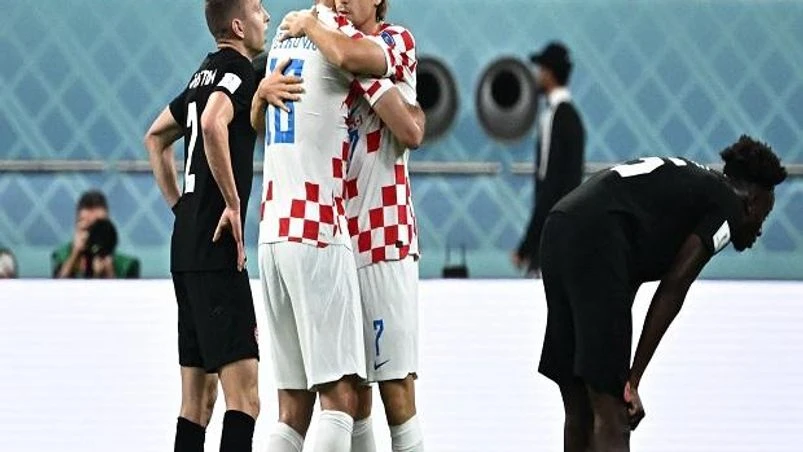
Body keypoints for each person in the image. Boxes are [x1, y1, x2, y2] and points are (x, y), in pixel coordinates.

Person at [537, 136, 787, 452]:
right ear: (752, 201)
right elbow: (674, 286)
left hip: (560, 226)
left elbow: (620, 286)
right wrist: (632, 381)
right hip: (598, 238)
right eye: (763, 215)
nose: (759, 229)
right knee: (614, 414)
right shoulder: (729, 206)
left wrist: (619, 365)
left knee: (580, 407)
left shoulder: (695, 184)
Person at [253, 2, 424, 452]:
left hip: (383, 236)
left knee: (396, 392)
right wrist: (260, 94)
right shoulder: (327, 40)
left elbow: (411, 130)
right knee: (354, 395)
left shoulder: (393, 41)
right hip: (335, 235)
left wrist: (313, 26)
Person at [143, 0, 270, 450]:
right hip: (218, 245)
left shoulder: (202, 75)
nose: (266, 16)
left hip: (186, 245)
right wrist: (233, 204)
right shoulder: (240, 71)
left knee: (196, 402)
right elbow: (216, 122)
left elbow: (155, 138)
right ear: (238, 26)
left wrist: (181, 207)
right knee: (245, 398)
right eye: (258, 8)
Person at [514, 41, 585, 276]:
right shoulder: (569, 116)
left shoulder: (557, 117)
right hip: (563, 229)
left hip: (555, 233)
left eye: (541, 70)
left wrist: (528, 245)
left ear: (549, 73)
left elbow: (551, 183)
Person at [51, 190, 140, 279]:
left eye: (98, 228)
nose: (94, 234)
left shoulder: (127, 265)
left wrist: (108, 271)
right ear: (77, 227)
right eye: (88, 228)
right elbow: (57, 285)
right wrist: (75, 254)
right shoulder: (62, 256)